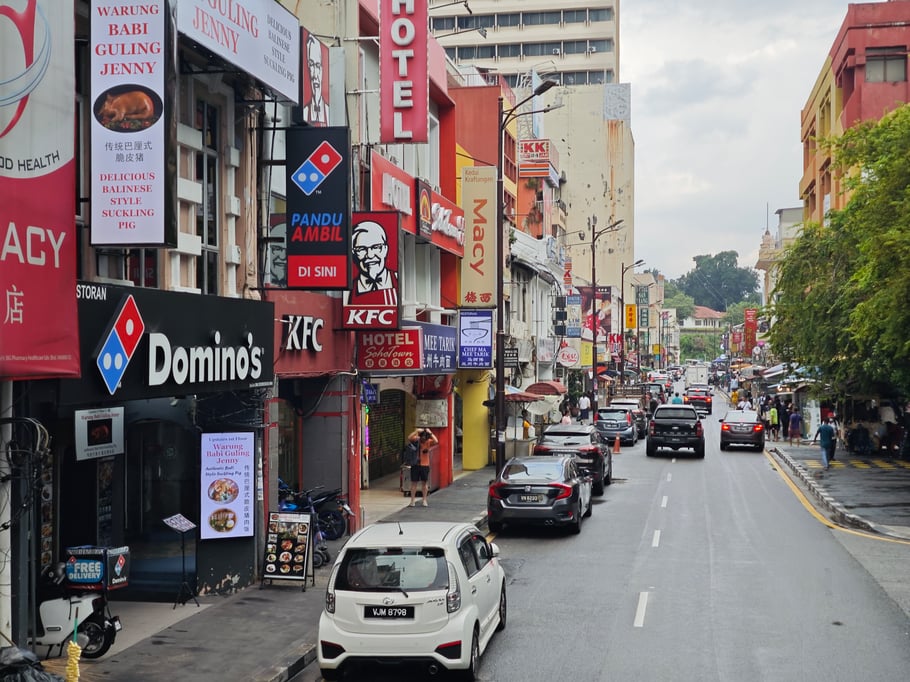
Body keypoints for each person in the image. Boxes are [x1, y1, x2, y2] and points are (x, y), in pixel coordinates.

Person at [348, 219, 399, 305]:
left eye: (376, 247)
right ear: (354, 253)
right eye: (361, 249)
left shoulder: (398, 280)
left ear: (385, 249)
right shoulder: (347, 292)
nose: (370, 255)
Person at [301, 32, 329, 126]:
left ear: (322, 69)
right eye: (311, 65)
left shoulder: (328, 113)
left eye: (317, 65)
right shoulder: (304, 112)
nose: (314, 75)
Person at [407, 428, 437, 507]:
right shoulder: (416, 440)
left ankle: (424, 499)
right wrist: (416, 431)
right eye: (422, 436)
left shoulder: (428, 442)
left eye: (425, 437)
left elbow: (436, 441)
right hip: (415, 464)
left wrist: (430, 433)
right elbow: (409, 437)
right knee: (414, 483)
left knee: (424, 482)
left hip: (425, 464)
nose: (424, 438)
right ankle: (412, 500)